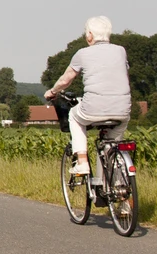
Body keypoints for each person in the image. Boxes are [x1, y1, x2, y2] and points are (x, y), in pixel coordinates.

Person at [44, 16, 131, 176]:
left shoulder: (83, 54)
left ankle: (82, 162)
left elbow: (66, 79)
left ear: (90, 34)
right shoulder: (121, 51)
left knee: (74, 117)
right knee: (113, 145)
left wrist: (52, 91)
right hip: (123, 110)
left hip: (93, 109)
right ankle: (117, 184)